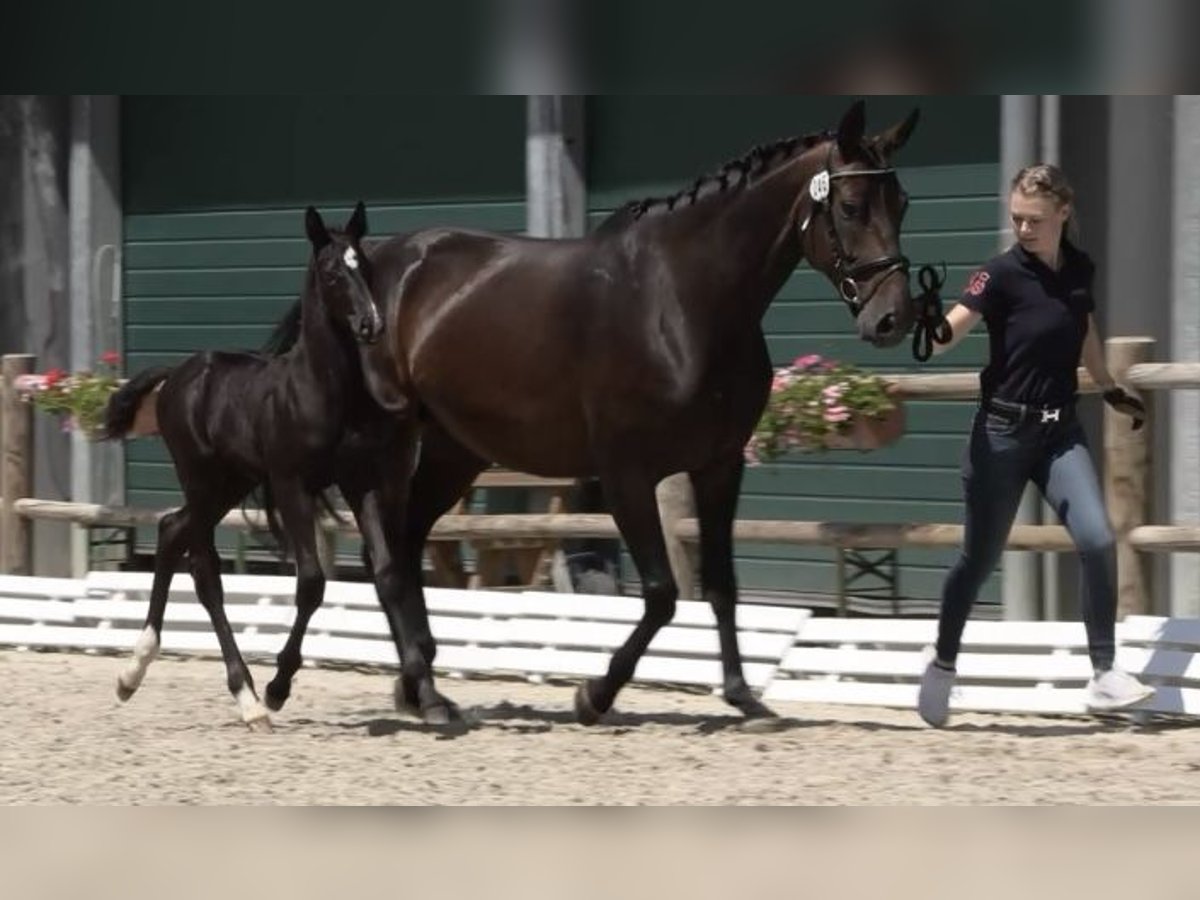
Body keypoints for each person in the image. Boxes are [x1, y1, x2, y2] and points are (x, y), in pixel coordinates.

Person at [917, 164, 1155, 728]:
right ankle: (943, 663)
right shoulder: (997, 275)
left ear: (1063, 213)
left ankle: (1103, 675)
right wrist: (928, 324)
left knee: (1097, 539)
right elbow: (951, 331)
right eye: (1017, 219)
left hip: (1058, 433)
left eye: (1034, 220)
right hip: (1001, 435)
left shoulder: (1078, 270)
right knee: (978, 561)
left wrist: (1110, 388)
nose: (1023, 229)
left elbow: (1086, 332)